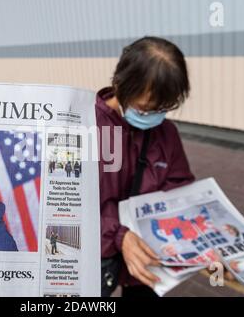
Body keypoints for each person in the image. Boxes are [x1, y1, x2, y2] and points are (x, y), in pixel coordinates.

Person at [97, 37, 195, 297]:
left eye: (164, 108)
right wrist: (118, 235)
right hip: (97, 253)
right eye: (144, 109)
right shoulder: (87, 127)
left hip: (148, 252)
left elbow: (178, 188)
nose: (154, 116)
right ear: (120, 84)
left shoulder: (166, 133)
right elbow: (68, 207)